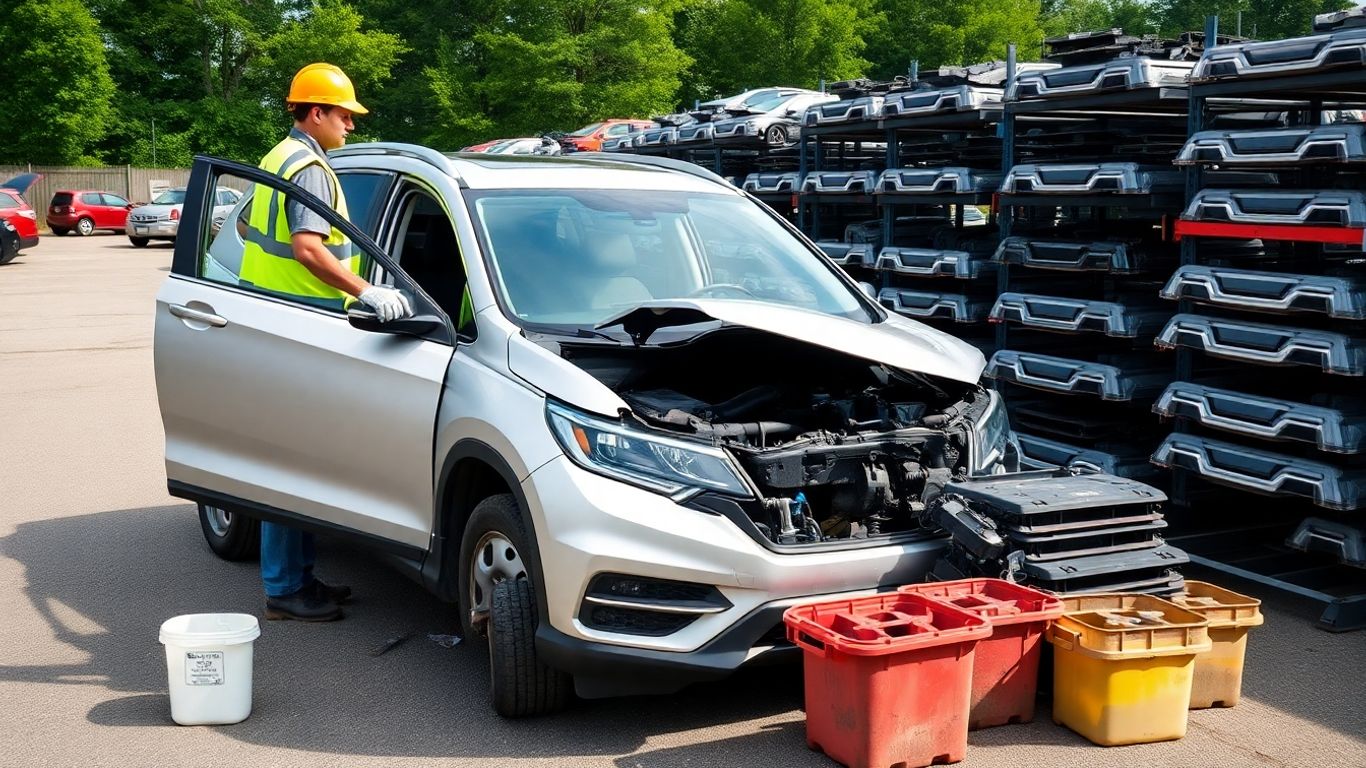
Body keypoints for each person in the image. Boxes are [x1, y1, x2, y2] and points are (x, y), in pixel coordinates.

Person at [242, 62, 412, 621]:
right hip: (300, 325)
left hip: (274, 323)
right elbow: (311, 249)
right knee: (294, 465)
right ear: (315, 112)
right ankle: (286, 589)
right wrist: (367, 290)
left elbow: (248, 231)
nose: (351, 126)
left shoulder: (280, 157)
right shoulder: (310, 167)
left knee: (297, 461)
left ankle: (299, 578)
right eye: (344, 115)